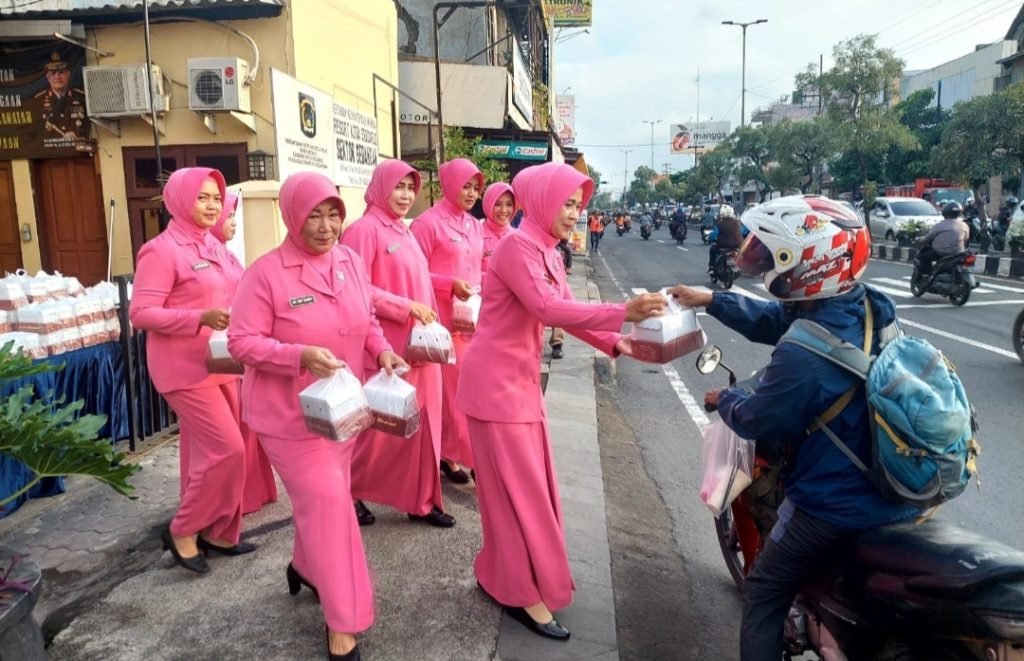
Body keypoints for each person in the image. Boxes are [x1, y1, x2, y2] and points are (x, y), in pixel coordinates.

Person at [669, 195, 918, 661]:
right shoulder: (867, 306)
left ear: (810, 261)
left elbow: (760, 417)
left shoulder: (802, 356)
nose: (760, 260)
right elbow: (779, 320)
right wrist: (711, 300)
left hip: (836, 501)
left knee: (763, 592)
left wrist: (727, 399)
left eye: (772, 253)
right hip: (897, 481)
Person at [456, 161, 666, 641]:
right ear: (545, 200)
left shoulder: (546, 250)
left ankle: (504, 574)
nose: (574, 213)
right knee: (517, 497)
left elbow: (566, 317)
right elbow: (547, 308)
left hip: (519, 387)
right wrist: (622, 311)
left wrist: (618, 342)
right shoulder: (515, 247)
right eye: (568, 203)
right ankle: (520, 592)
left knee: (527, 493)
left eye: (578, 205)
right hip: (495, 391)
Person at [228, 171, 407, 661]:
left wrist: (384, 352)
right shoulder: (264, 274)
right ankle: (344, 621)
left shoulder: (348, 259)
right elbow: (242, 342)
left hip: (341, 412)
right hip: (288, 420)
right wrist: (298, 355)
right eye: (314, 215)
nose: (326, 226)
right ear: (292, 216)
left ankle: (306, 567)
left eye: (333, 214)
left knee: (324, 505)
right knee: (331, 504)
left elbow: (366, 318)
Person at [129, 167, 253, 574]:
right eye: (202, 198)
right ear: (181, 200)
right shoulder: (161, 251)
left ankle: (219, 532)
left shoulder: (215, 247)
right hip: (183, 369)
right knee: (227, 449)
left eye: (216, 198)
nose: (212, 205)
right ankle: (182, 529)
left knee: (228, 452)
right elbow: (141, 313)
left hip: (221, 362)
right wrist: (199, 317)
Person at [340, 159, 453, 528]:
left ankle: (421, 500)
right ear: (380, 187)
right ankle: (348, 490)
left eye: (410, 188)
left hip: (421, 348)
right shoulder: (363, 231)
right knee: (379, 432)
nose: (405, 196)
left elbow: (421, 282)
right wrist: (405, 307)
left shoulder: (403, 232)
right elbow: (354, 290)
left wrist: (432, 322)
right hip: (386, 349)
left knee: (424, 429)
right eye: (398, 187)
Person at [411, 158, 485, 485]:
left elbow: (476, 268)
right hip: (441, 322)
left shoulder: (473, 225)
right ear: (449, 184)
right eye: (465, 186)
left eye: (475, 187)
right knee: (457, 392)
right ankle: (470, 458)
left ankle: (449, 453)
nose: (471, 193)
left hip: (471, 319)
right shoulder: (428, 224)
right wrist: (448, 284)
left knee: (467, 390)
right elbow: (413, 271)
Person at [208, 193, 278, 516]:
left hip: (237, 347)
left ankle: (252, 493)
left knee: (246, 422)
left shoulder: (227, 255)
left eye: (233, 216)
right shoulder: (205, 254)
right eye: (230, 217)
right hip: (216, 351)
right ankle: (230, 500)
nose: (233, 223)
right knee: (230, 432)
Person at [34, 51, 88, 142]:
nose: (57, 76)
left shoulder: (82, 97)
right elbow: (35, 132)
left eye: (61, 72)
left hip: (79, 151)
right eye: (53, 73)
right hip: (49, 152)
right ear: (47, 76)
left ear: (68, 74)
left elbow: (90, 125)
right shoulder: (38, 100)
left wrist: (77, 134)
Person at [917, 201, 970, 275]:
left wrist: (920, 240)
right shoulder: (964, 225)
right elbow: (966, 239)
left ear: (945, 213)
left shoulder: (940, 225)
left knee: (922, 257)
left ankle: (925, 276)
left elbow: (927, 238)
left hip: (941, 253)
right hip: (958, 253)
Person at [481, 181, 517, 276]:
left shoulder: (519, 237)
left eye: (509, 204)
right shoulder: (475, 234)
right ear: (488, 204)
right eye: (497, 204)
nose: (503, 210)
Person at [707, 204, 744, 274]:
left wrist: (710, 239)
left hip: (724, 246)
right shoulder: (737, 223)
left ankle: (711, 267)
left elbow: (713, 235)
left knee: (712, 250)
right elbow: (742, 232)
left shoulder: (720, 224)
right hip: (738, 246)